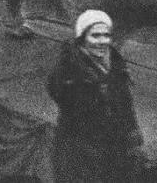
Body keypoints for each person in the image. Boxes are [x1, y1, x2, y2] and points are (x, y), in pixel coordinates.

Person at [48, 9, 144, 182]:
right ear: (82, 38)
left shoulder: (116, 64)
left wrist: (134, 137)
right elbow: (63, 99)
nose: (102, 41)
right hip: (81, 153)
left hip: (115, 150)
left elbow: (126, 106)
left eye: (106, 35)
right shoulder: (68, 69)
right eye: (95, 36)